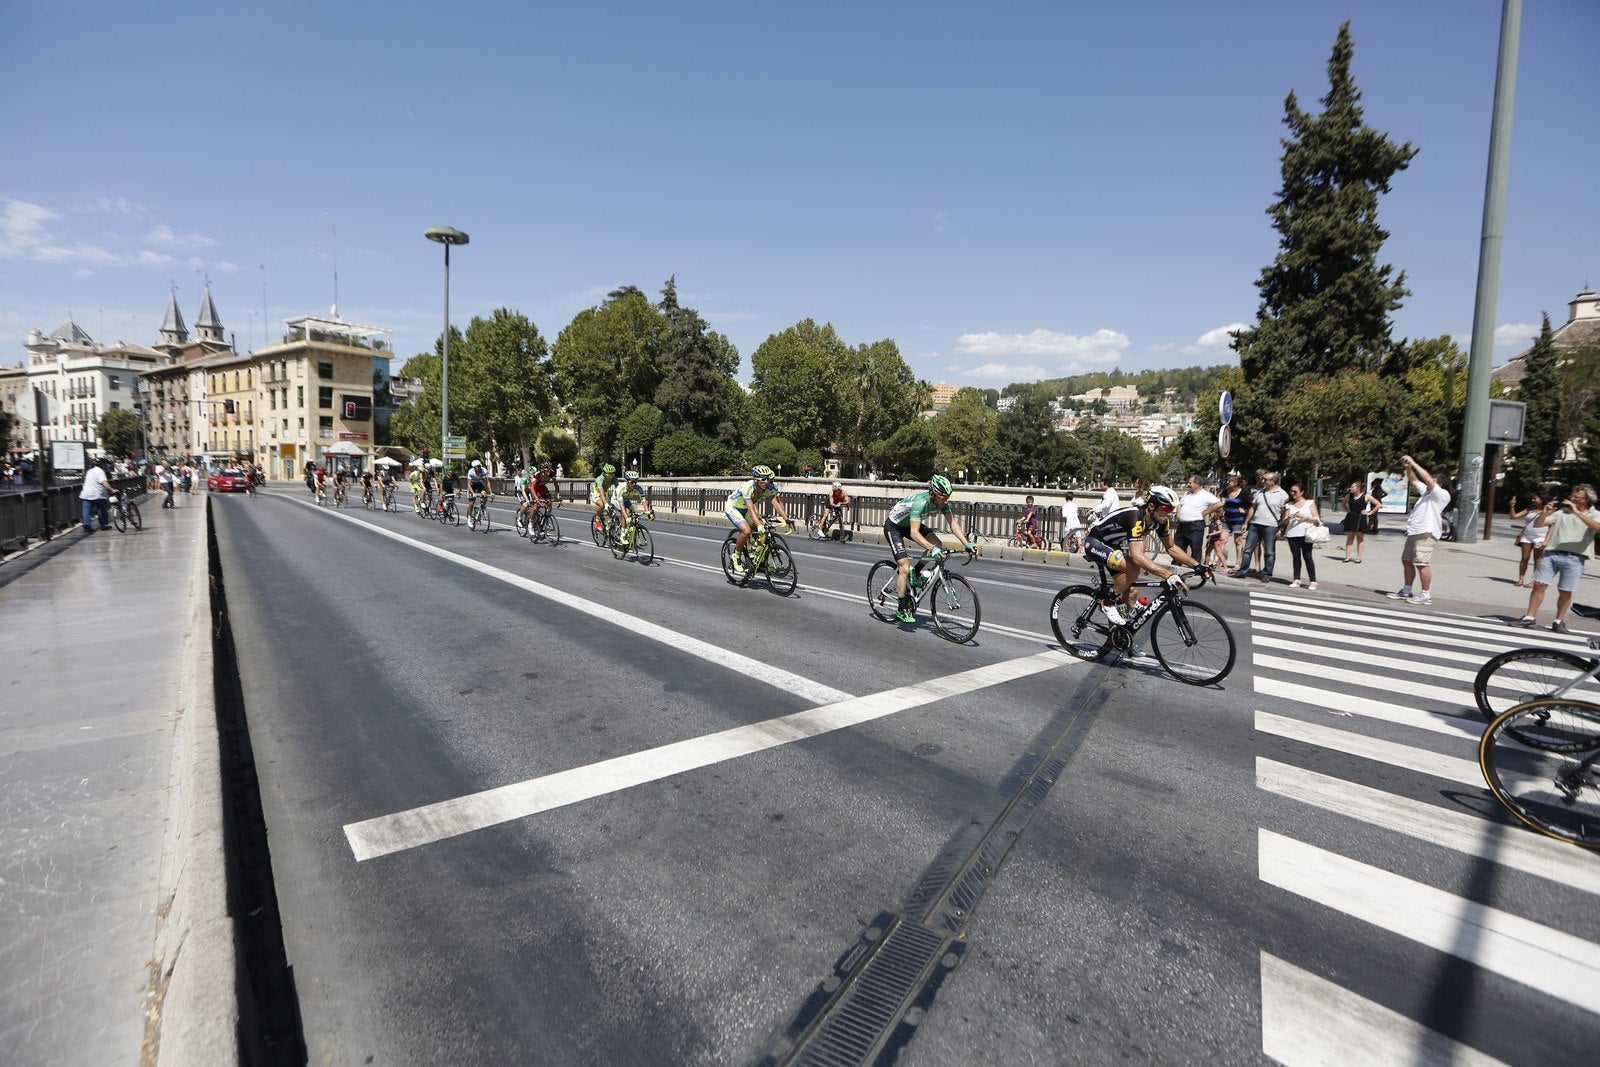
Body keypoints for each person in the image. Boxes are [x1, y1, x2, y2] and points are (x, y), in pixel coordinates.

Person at [1082, 485, 1204, 626]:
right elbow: (1137, 557)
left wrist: (1198, 566)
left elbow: (1171, 548)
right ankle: (1108, 601)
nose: (1169, 513)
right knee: (1134, 567)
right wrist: (1168, 575)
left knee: (1132, 591)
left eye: (1172, 510)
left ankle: (1120, 635)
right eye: (1166, 509)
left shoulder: (1160, 521)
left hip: (1112, 546)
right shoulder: (1135, 516)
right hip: (1095, 542)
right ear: (1152, 506)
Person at [883, 474, 976, 624]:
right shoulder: (921, 502)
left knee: (938, 544)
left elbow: (953, 524)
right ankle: (901, 609)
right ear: (933, 494)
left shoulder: (941, 502)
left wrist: (967, 544)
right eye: (942, 497)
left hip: (911, 524)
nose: (945, 501)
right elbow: (914, 532)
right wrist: (931, 549)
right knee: (905, 568)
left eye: (947, 497)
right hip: (894, 527)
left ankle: (917, 572)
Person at [1514, 484, 1600, 634]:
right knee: (1539, 585)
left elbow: (1597, 527)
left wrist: (1576, 512)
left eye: (1576, 497)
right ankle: (1529, 617)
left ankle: (1559, 621)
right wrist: (1544, 513)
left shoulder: (1595, 514)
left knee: (1565, 590)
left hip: (1575, 558)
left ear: (1586, 500)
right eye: (1572, 496)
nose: (1572, 499)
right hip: (1552, 554)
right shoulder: (1561, 513)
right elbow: (1539, 524)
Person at [1386, 454, 1449, 606]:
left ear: (1440, 484)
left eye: (1433, 481)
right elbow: (1414, 480)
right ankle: (1406, 590)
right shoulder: (1426, 493)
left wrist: (1414, 462)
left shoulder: (1441, 494)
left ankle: (1425, 594)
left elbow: (1426, 479)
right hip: (1414, 531)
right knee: (1406, 561)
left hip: (1426, 532)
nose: (1429, 482)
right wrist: (1408, 467)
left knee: (1422, 563)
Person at [725, 465, 793, 570]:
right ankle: (736, 555)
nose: (766, 482)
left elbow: (776, 503)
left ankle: (758, 560)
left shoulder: (769, 487)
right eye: (763, 479)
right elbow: (751, 509)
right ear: (755, 480)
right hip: (733, 508)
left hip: (746, 508)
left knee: (763, 531)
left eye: (768, 479)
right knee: (747, 531)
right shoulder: (748, 487)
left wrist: (786, 519)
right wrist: (759, 524)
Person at [1238, 471, 1287, 583]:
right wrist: (1246, 522)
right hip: (1255, 525)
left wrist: (1282, 528)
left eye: (1265, 479)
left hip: (1271, 526)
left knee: (1269, 551)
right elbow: (1252, 508)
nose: (1262, 481)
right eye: (1262, 479)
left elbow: (1284, 513)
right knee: (1247, 550)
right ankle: (1242, 571)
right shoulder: (1260, 492)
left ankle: (1267, 573)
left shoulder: (1282, 494)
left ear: (1273, 481)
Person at [1280, 481, 1323, 589]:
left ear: (1302, 492)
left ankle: (1313, 581)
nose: (1293, 493)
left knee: (1307, 556)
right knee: (1296, 557)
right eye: (1291, 491)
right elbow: (1284, 522)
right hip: (1292, 533)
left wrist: (1305, 517)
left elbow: (1317, 519)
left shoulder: (1310, 503)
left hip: (1306, 533)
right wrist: (1287, 518)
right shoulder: (1289, 505)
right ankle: (1296, 579)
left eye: (1295, 491)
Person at [1175, 474, 1223, 562]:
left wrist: (1207, 512)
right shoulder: (1187, 493)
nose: (1188, 484)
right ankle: (1175, 568)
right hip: (1182, 526)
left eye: (1190, 483)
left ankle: (1195, 570)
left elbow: (1219, 503)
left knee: (1195, 549)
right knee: (1178, 549)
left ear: (1196, 484)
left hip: (1195, 526)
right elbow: (1180, 504)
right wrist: (1178, 514)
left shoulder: (1205, 494)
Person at [1509, 493, 1548, 587]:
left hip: (1540, 537)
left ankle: (1534, 581)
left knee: (1537, 560)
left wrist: (1547, 539)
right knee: (1524, 558)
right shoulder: (1530, 509)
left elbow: (1552, 525)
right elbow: (1514, 516)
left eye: (1535, 498)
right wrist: (1511, 506)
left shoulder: (1548, 510)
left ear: (1542, 499)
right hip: (1527, 536)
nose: (1533, 500)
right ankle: (1521, 579)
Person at [609, 469, 656, 539]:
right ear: (627, 482)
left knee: (633, 514)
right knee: (626, 512)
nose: (634, 484)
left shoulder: (638, 488)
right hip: (616, 500)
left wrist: (648, 512)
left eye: (635, 482)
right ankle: (622, 535)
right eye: (632, 482)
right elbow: (622, 506)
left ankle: (630, 531)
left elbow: (643, 500)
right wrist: (626, 517)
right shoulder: (621, 488)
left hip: (626, 500)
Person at [1339, 478, 1375, 564]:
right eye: (1351, 487)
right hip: (1351, 517)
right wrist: (1347, 511)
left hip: (1361, 518)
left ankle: (1358, 557)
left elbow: (1378, 504)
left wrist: (1370, 513)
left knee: (1360, 538)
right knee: (1350, 537)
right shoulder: (1349, 496)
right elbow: (1343, 504)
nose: (1350, 488)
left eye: (1353, 487)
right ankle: (1347, 557)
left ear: (1358, 488)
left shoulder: (1366, 496)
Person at [1220, 473, 1248, 573]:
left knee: (1238, 542)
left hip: (1238, 520)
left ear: (1238, 482)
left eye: (1231, 480)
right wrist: (1222, 510)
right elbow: (1222, 502)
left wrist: (1244, 511)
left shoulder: (1244, 494)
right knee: (1222, 540)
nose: (1229, 482)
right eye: (1229, 480)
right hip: (1227, 520)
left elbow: (1250, 506)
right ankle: (1221, 560)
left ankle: (1237, 562)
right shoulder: (1226, 491)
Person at [79, 458, 113, 533]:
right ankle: (104, 525)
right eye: (106, 464)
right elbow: (104, 482)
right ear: (103, 465)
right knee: (101, 510)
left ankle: (87, 526)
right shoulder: (100, 472)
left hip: (86, 494)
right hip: (98, 495)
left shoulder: (90, 471)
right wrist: (112, 489)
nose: (107, 466)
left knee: (86, 511)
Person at [590, 464, 620, 533]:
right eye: (609, 475)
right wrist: (606, 504)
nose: (611, 476)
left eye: (612, 474)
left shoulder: (614, 479)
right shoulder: (599, 479)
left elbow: (618, 490)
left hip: (605, 494)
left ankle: (608, 526)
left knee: (612, 511)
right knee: (602, 505)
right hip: (596, 494)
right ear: (604, 474)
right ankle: (597, 520)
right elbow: (601, 493)